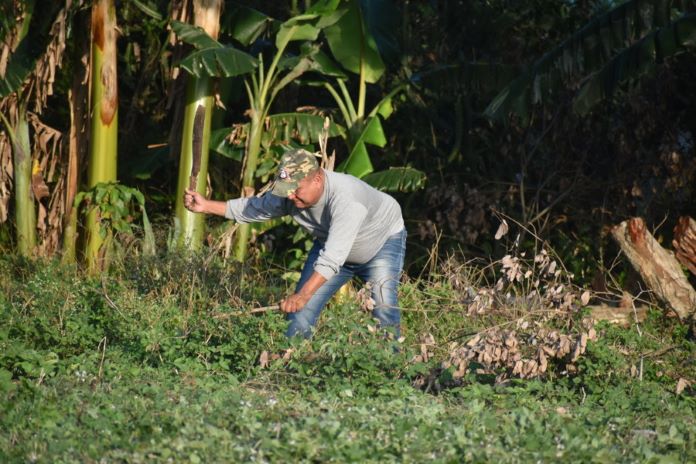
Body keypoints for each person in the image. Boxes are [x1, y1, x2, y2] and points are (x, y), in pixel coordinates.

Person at [183, 148, 407, 339]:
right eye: (286, 191)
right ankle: (289, 370)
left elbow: (333, 256)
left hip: (381, 243)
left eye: (296, 190)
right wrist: (205, 206)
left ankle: (390, 373)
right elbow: (254, 208)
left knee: (383, 307)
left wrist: (303, 294)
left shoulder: (347, 199)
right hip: (332, 245)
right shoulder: (290, 195)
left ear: (317, 179)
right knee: (301, 312)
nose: (290, 197)